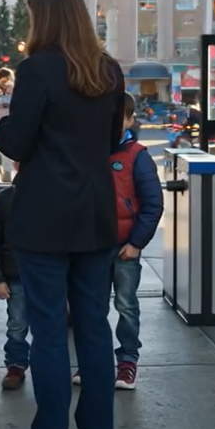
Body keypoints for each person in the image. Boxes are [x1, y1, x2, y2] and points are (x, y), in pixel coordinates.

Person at [0, 0, 124, 429]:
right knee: (94, 327)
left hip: (45, 217)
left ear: (44, 17)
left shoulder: (37, 70)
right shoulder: (108, 71)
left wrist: (5, 122)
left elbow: (18, 143)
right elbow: (111, 142)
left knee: (48, 332)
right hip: (95, 216)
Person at [72, 92, 164, 389]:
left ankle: (127, 362)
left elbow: (152, 204)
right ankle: (93, 363)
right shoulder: (87, 151)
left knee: (126, 306)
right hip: (93, 246)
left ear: (130, 119)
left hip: (125, 248)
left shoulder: (137, 156)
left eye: (118, 117)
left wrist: (136, 243)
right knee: (92, 307)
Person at [0, 161, 30, 390]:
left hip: (48, 274)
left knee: (48, 326)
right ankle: (15, 364)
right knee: (17, 324)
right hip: (16, 274)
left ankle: (44, 364)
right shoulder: (5, 200)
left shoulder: (55, 197)